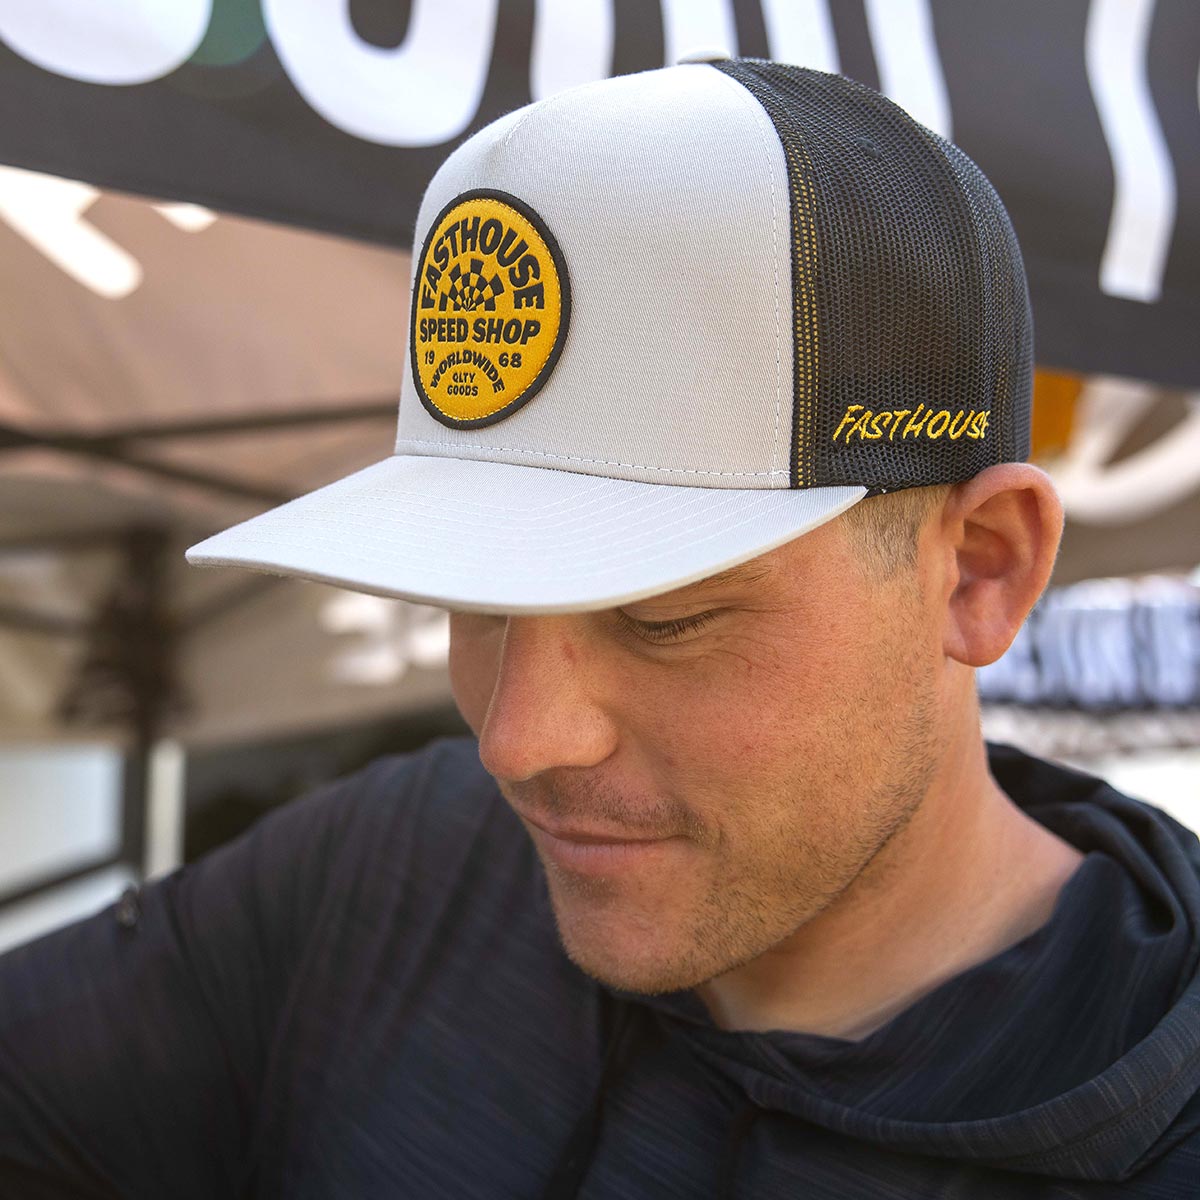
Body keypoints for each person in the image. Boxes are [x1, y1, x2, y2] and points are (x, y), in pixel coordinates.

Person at [2, 57, 1198, 1200]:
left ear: (980, 569)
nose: (516, 743)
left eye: (665, 617)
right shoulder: (407, 865)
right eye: (475, 598)